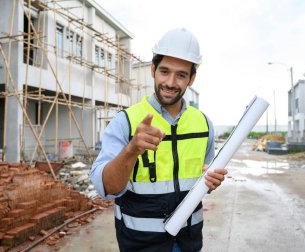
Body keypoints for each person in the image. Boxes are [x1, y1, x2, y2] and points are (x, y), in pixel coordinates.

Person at [90, 28, 228, 252]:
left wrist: (210, 182)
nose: (171, 82)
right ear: (153, 70)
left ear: (192, 78)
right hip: (140, 243)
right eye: (164, 71)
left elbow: (201, 181)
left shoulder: (203, 124)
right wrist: (131, 150)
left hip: (188, 241)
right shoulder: (125, 121)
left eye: (181, 75)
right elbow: (106, 187)